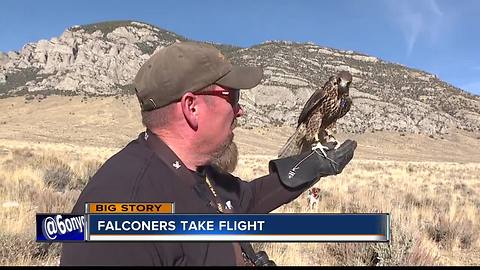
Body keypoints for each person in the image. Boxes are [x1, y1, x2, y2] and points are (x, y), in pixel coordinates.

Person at [60, 41, 357, 266]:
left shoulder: (201, 174)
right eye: (232, 97)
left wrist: (312, 165)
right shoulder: (121, 207)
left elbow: (248, 201)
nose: (239, 109)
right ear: (192, 108)